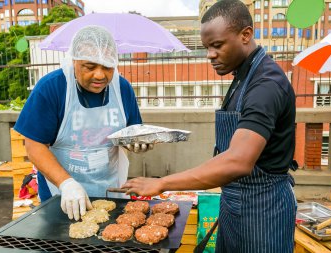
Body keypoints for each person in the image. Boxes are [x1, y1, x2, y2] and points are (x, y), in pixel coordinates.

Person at [122, 0, 297, 252]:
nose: (210, 55)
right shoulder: (241, 76)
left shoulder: (266, 84)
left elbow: (238, 160)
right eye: (206, 47)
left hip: (264, 210)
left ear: (245, 35)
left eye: (217, 46)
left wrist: (162, 183)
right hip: (234, 203)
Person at [14, 25, 152, 221]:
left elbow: (132, 130)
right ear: (74, 61)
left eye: (107, 66)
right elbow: (34, 145)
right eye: (90, 66)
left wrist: (136, 141)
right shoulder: (52, 88)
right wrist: (66, 184)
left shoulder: (122, 89)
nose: (99, 75)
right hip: (61, 196)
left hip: (110, 192)